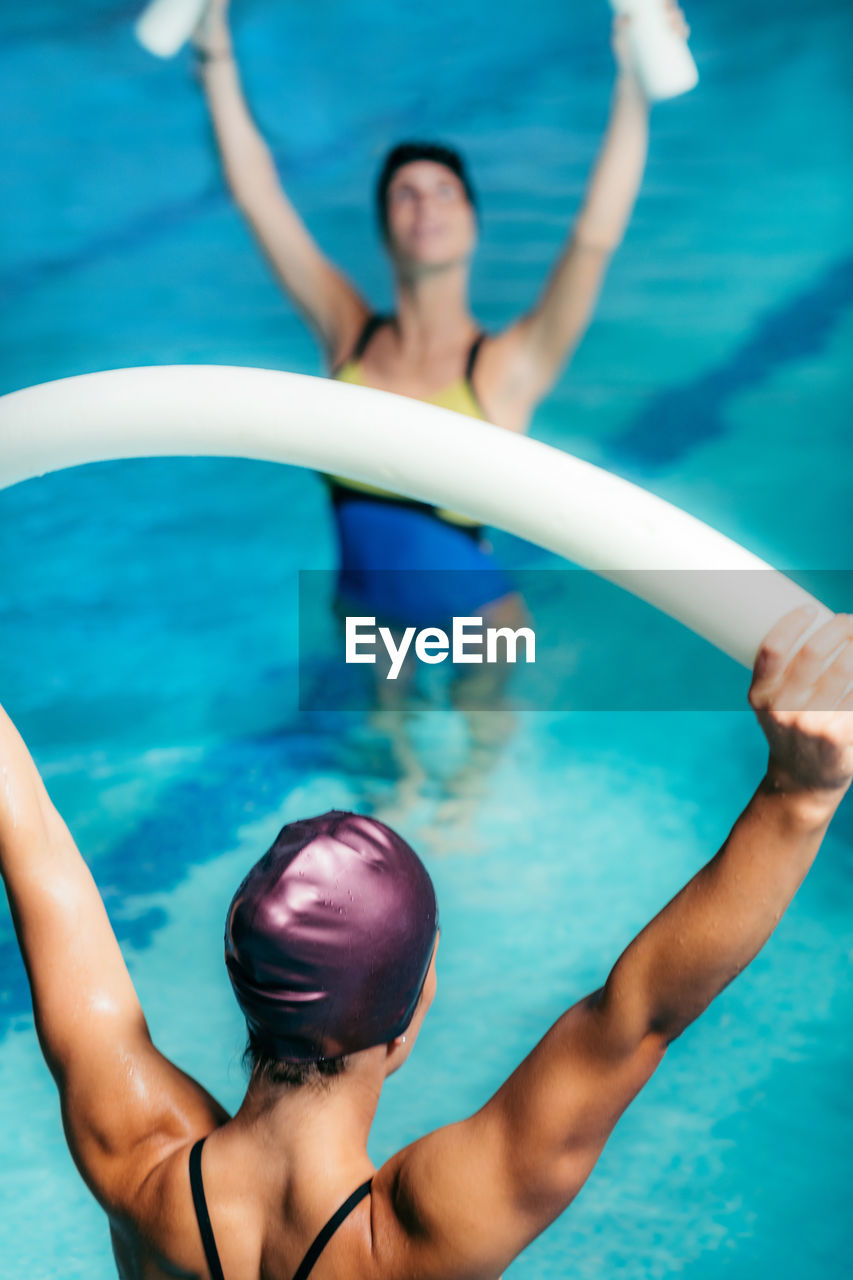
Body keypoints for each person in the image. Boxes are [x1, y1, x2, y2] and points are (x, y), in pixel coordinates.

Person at [2, 604, 852, 1278]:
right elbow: (637, 1015)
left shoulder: (138, 1162)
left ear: (245, 980)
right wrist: (798, 796)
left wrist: (793, 801)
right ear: (410, 1014)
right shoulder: (419, 1240)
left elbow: (36, 848)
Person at [192, 0, 688, 824]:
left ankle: (467, 813)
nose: (425, 207)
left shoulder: (504, 366)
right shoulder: (345, 333)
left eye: (444, 191)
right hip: (365, 613)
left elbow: (594, 236)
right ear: (385, 228)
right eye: (404, 195)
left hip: (479, 623)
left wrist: (632, 86)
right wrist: (212, 50)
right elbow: (256, 196)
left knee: (468, 786)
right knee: (387, 777)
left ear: (473, 222)